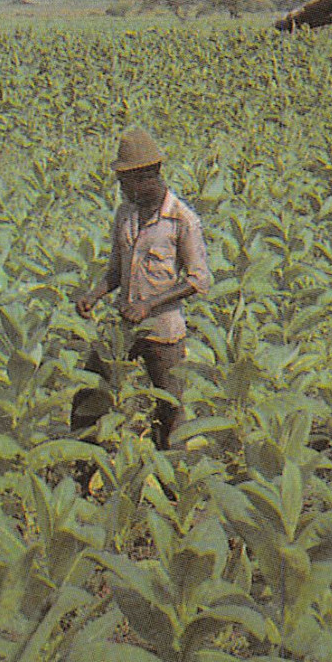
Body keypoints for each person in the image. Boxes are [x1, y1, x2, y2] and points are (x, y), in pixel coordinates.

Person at [73, 126, 212, 449]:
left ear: (148, 176)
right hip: (125, 327)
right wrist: (94, 295)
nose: (121, 189)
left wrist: (149, 305)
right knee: (90, 393)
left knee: (170, 409)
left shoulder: (182, 220)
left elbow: (198, 279)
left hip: (163, 331)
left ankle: (174, 488)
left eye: (125, 182)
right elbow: (116, 270)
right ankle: (86, 466)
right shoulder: (125, 214)